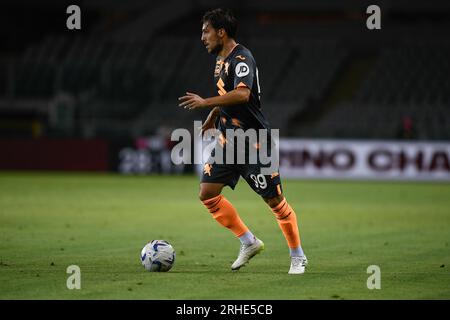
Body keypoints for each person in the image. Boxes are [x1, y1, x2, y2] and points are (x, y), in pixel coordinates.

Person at [178, 8, 307, 274]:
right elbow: (227, 94)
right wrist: (215, 114)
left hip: (254, 141)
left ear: (221, 32)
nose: (202, 37)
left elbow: (242, 95)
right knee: (208, 194)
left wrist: (205, 103)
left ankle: (298, 256)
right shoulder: (220, 61)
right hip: (228, 140)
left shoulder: (242, 58)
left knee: (275, 202)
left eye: (206, 31)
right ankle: (248, 242)